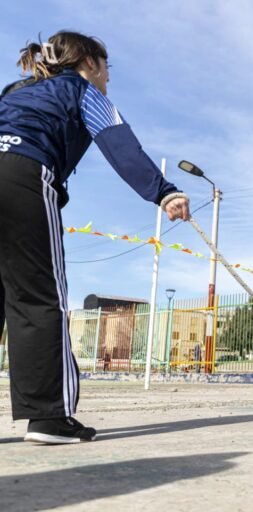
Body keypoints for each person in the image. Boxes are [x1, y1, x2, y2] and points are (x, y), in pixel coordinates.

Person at [0, 31, 189, 444]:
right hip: (22, 174)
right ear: (90, 64)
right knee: (38, 297)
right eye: (107, 68)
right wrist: (163, 192)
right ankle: (49, 417)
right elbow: (119, 144)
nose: (108, 78)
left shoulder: (15, 90)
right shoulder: (82, 90)